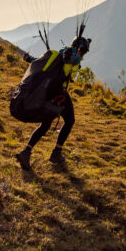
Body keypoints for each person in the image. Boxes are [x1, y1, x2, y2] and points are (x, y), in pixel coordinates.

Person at [14, 35, 91, 169]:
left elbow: (38, 61)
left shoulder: (56, 54)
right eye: (83, 52)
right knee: (70, 120)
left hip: (45, 93)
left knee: (45, 124)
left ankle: (26, 152)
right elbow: (74, 63)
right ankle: (56, 153)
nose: (83, 56)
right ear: (82, 50)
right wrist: (74, 60)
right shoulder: (74, 57)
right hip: (58, 94)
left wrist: (28, 59)